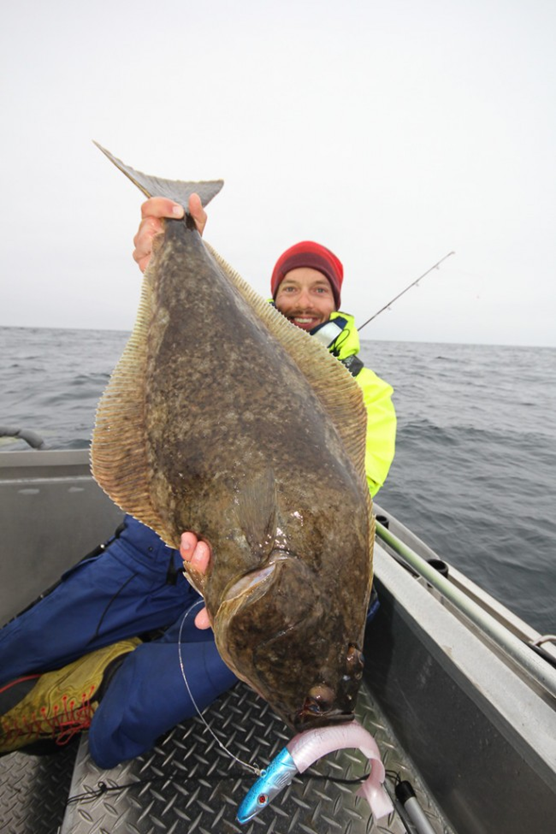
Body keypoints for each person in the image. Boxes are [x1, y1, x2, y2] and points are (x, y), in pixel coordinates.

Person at [0, 197, 396, 767]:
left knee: (122, 724)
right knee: (19, 648)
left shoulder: (368, 392)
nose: (304, 301)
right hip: (155, 537)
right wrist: (166, 255)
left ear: (336, 302)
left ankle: (100, 685)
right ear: (273, 295)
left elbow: (351, 496)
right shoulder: (227, 328)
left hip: (226, 569)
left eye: (319, 290)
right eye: (290, 288)